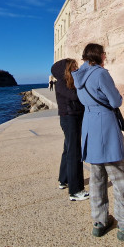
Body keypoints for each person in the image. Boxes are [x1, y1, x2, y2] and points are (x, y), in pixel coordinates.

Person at [72, 43, 124, 241]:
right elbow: (115, 101)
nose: (105, 56)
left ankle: (99, 221)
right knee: (119, 178)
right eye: (104, 53)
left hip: (90, 126)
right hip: (105, 125)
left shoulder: (78, 75)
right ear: (99, 55)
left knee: (97, 179)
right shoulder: (101, 74)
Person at [51, 59, 89, 201]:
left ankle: (64, 180)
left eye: (76, 66)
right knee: (74, 153)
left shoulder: (69, 82)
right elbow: (75, 96)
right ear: (66, 69)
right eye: (73, 66)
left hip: (72, 118)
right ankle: (76, 190)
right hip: (69, 119)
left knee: (68, 149)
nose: (76, 68)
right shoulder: (61, 83)